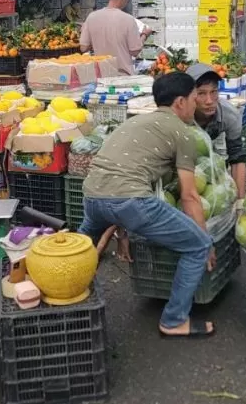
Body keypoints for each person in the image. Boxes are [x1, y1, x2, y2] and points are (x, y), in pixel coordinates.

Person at [79, 72, 216, 338]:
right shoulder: (183, 133)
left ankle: (67, 295)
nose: (196, 104)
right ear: (180, 102)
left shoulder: (135, 123)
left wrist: (121, 233)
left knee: (82, 247)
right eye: (193, 98)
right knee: (197, 245)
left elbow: (117, 182)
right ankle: (174, 320)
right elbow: (189, 196)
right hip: (133, 201)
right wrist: (205, 239)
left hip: (92, 196)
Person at [186, 65, 246, 198]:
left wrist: (240, 201)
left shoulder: (229, 114)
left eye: (214, 92)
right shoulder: (180, 116)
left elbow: (237, 157)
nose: (209, 101)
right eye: (201, 93)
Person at [79, 0, 145, 76]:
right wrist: (144, 34)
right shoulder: (128, 20)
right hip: (123, 77)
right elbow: (135, 51)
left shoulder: (92, 17)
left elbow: (83, 48)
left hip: (100, 76)